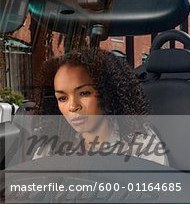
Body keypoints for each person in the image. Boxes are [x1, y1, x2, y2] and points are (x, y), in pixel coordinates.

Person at [33, 48, 168, 165]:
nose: (72, 107)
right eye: (62, 98)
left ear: (107, 93)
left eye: (84, 93)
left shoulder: (141, 143)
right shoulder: (51, 144)